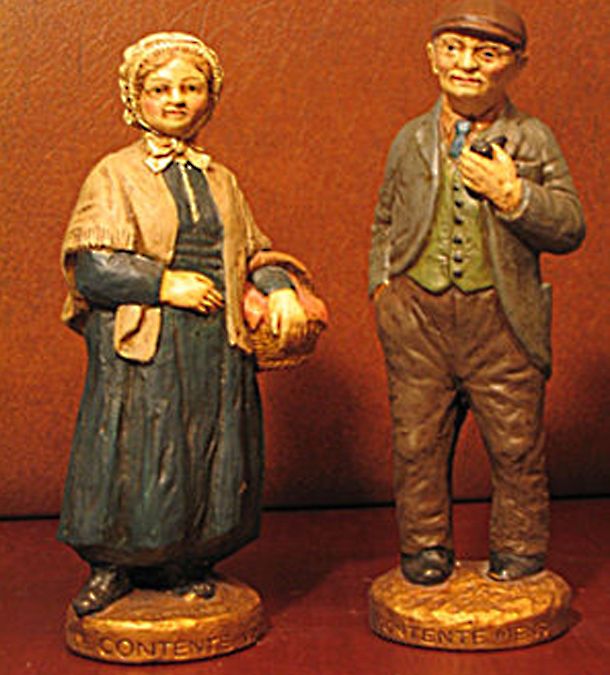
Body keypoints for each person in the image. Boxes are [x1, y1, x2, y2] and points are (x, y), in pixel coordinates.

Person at [58, 32, 308, 616]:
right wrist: (164, 284)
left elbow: (251, 252)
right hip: (144, 349)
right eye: (161, 88)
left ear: (209, 99)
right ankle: (113, 564)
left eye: (190, 88)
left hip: (214, 345)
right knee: (136, 450)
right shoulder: (115, 174)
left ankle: (185, 558)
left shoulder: (220, 179)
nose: (176, 99)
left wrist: (279, 288)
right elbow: (92, 266)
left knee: (205, 450)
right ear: (136, 98)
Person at [369, 0, 585, 585]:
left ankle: (519, 548)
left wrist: (515, 197)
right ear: (432, 56)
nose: (466, 64)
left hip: (501, 320)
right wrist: (383, 288)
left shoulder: (532, 139)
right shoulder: (411, 138)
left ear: (515, 65)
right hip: (419, 318)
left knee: (515, 443)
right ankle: (424, 547)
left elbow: (570, 226)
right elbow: (385, 217)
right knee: (418, 442)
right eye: (454, 49)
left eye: (487, 53)